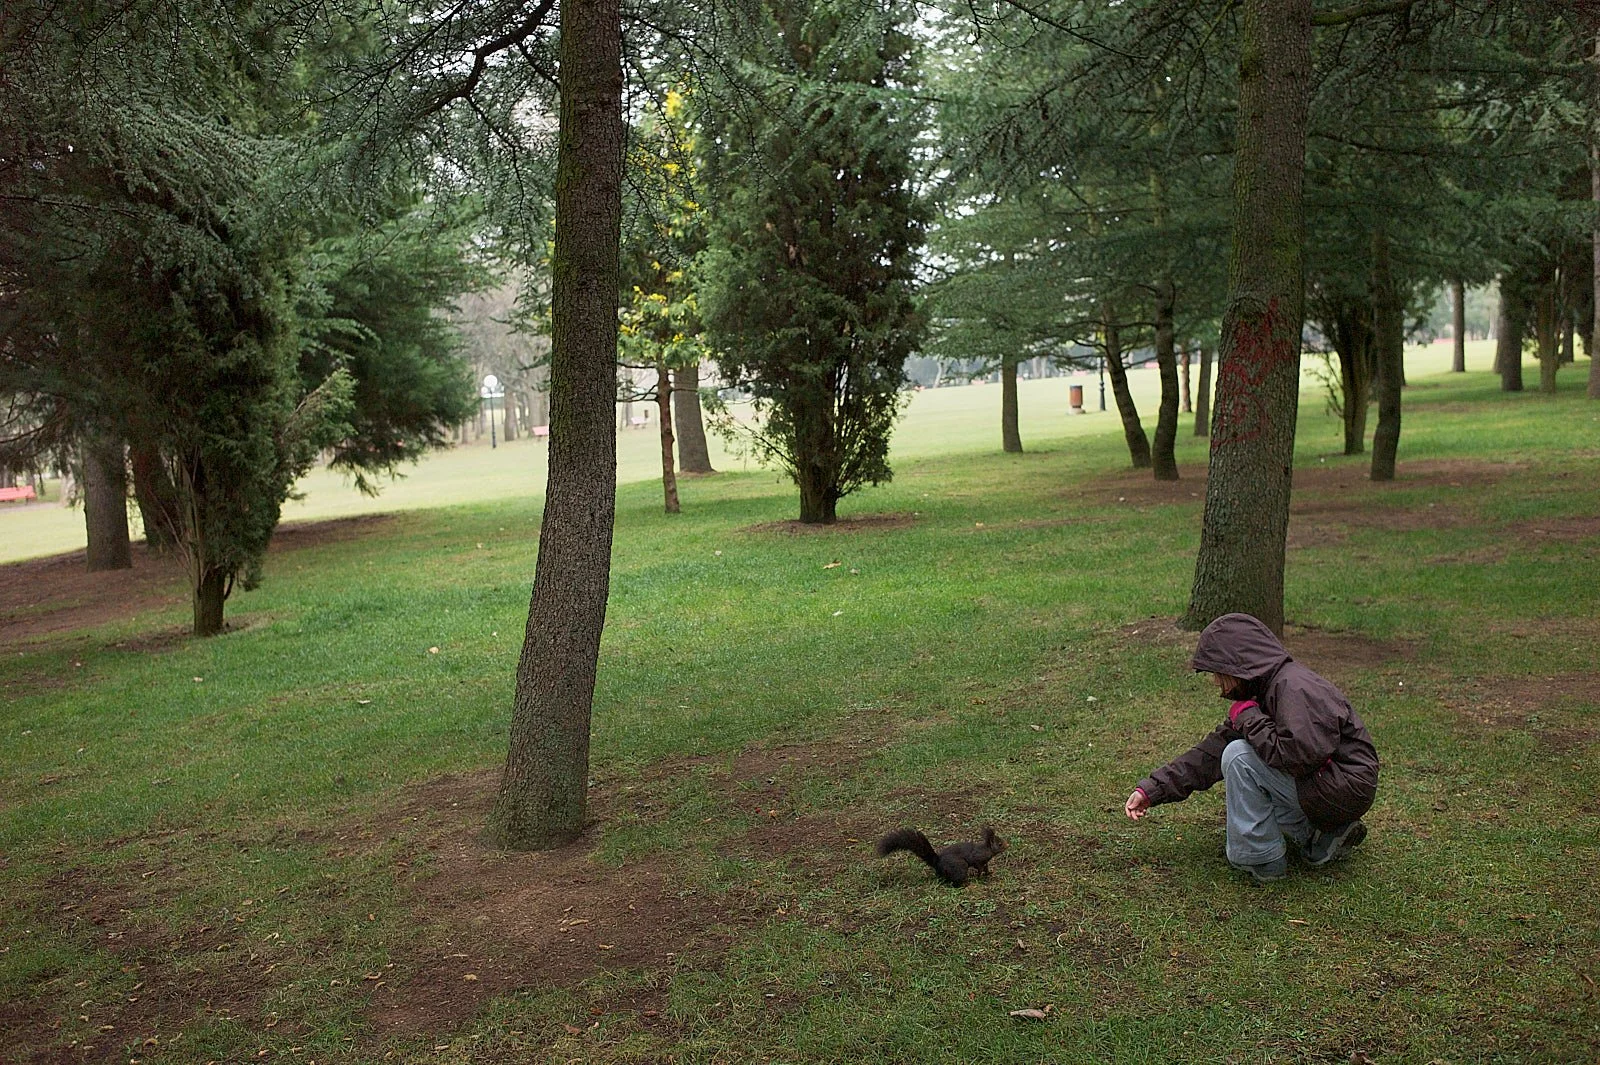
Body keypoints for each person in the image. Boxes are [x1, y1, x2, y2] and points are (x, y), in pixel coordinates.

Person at [1124, 612, 1379, 882]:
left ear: (1237, 666)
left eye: (1218, 673)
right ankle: (1322, 835)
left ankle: (1261, 857)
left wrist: (1250, 719)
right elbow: (1209, 755)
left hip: (1343, 788)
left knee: (1239, 758)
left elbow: (1298, 757)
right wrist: (1152, 789)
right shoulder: (1268, 689)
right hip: (1333, 785)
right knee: (1237, 753)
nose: (1216, 683)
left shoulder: (1294, 688)